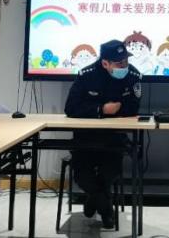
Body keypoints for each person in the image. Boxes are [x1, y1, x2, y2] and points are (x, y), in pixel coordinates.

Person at [64, 39, 142, 229]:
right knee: (83, 177)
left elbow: (133, 108)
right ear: (105, 63)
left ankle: (94, 201)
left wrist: (118, 110)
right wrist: (101, 109)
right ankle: (106, 209)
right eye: (119, 63)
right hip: (85, 139)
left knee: (109, 174)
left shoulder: (132, 75)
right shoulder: (87, 75)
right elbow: (71, 107)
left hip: (114, 139)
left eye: (126, 61)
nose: (124, 66)